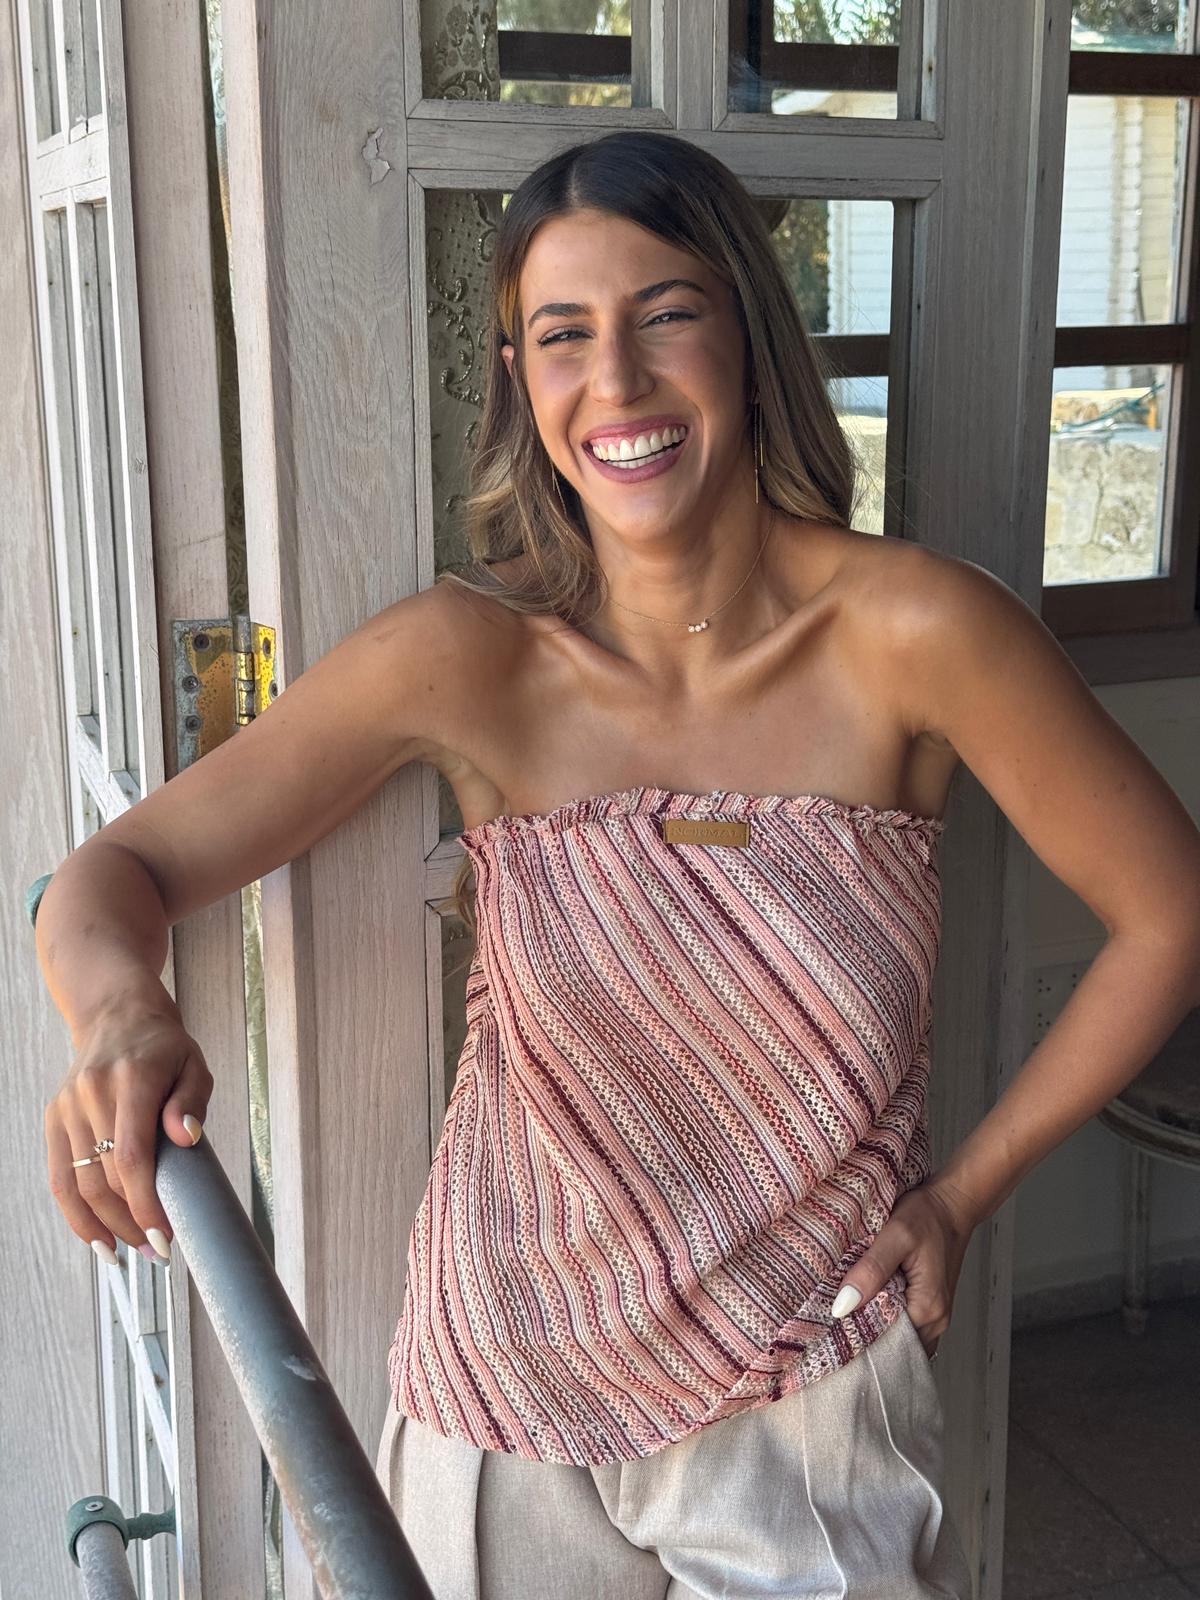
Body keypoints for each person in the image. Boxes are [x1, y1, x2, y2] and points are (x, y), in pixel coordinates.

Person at [35, 128, 1200, 1600]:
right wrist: (126, 1018)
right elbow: (117, 869)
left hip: (808, 1392)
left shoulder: (918, 635)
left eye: (666, 314)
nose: (621, 384)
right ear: (520, 377)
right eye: (564, 336)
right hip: (499, 1391)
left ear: (750, 340)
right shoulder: (471, 660)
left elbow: (1170, 912)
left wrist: (962, 1194)